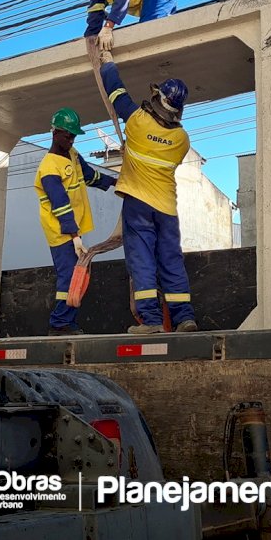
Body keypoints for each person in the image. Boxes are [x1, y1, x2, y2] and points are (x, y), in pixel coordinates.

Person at [96, 49, 198, 334]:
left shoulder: (137, 121)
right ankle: (184, 318)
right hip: (166, 208)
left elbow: (117, 95)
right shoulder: (181, 139)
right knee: (171, 261)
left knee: (142, 261)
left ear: (158, 98)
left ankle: (151, 321)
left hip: (138, 204)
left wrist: (107, 64)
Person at [34, 107, 117, 335]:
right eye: (67, 135)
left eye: (73, 136)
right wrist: (74, 235)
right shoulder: (48, 167)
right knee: (70, 274)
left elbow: (90, 176)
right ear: (55, 133)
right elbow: (60, 204)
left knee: (73, 273)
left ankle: (64, 322)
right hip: (60, 230)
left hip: (72, 230)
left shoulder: (72, 155)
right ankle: (60, 323)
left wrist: (115, 182)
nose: (71, 140)